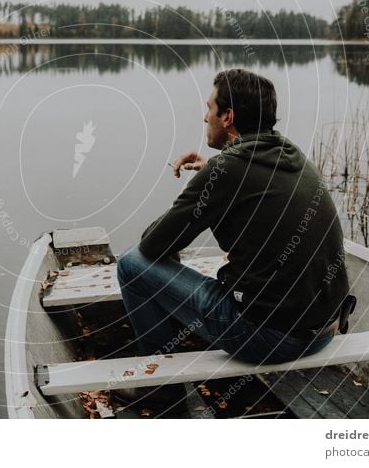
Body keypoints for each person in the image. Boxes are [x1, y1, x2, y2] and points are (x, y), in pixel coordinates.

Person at [114, 68, 352, 417]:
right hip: (325, 330)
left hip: (268, 339)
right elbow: (254, 183)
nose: (204, 116)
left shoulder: (226, 171)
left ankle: (159, 387)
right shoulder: (291, 154)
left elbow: (153, 246)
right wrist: (213, 174)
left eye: (209, 108)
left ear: (228, 117)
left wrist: (202, 191)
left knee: (131, 264)